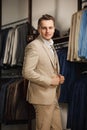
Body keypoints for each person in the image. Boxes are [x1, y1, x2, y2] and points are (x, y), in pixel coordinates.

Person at [22, 14, 65, 130]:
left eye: (50, 28)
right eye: (44, 28)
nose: (47, 31)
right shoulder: (34, 46)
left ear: (54, 28)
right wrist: (50, 81)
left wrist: (58, 77)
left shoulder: (50, 44)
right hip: (42, 97)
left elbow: (47, 67)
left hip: (52, 96)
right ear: (39, 28)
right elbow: (27, 72)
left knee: (57, 128)